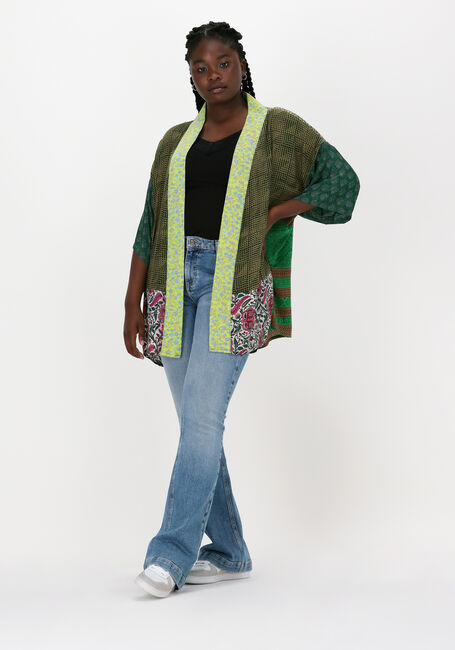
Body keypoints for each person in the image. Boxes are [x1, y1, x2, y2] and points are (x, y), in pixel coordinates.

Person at [124, 21, 360, 598]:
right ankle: (229, 552)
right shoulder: (174, 141)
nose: (213, 76)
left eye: (223, 63)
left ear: (241, 64)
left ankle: (170, 553)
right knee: (196, 424)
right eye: (201, 69)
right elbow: (150, 221)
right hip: (172, 284)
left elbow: (342, 184)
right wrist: (132, 301)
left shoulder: (276, 129)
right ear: (191, 77)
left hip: (233, 286)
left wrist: (279, 210)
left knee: (202, 420)